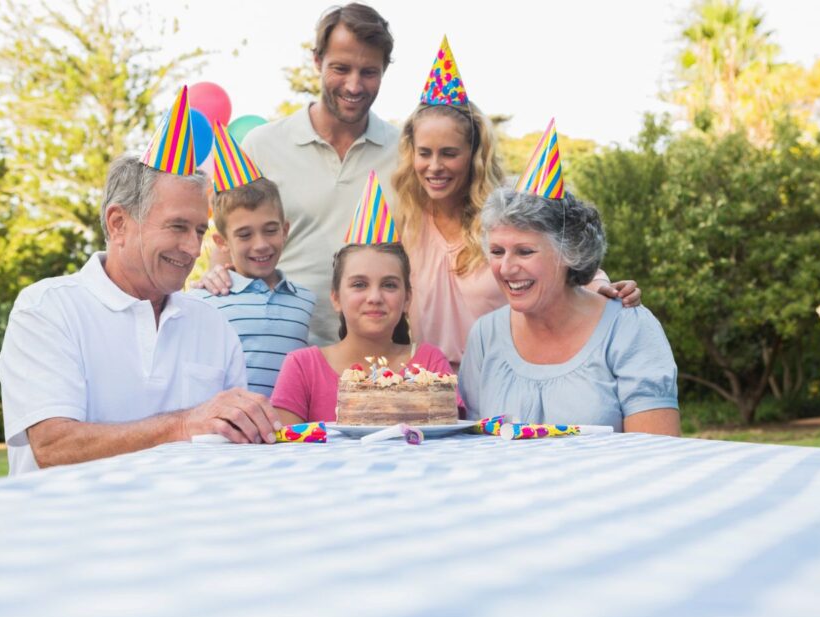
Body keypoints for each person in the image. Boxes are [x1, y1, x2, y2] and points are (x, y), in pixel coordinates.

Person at [0, 153, 281, 475]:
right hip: (70, 523)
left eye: (200, 231)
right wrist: (184, 424)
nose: (192, 248)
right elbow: (53, 446)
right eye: (178, 226)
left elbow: (233, 448)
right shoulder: (46, 309)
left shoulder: (212, 322)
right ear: (119, 224)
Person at [391, 40, 640, 369]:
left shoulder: (507, 214)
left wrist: (606, 289)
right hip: (431, 391)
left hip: (505, 378)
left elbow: (566, 266)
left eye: (449, 153)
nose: (434, 166)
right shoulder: (403, 221)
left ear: (474, 155)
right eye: (425, 153)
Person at [201, 3, 399, 346]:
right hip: (280, 354)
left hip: (373, 361)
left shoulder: (405, 153)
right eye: (341, 68)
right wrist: (216, 274)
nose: (354, 85)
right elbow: (227, 241)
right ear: (317, 61)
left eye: (369, 72)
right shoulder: (262, 145)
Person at [458, 188, 680, 435]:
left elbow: (655, 451)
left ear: (571, 253)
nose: (506, 268)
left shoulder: (629, 327)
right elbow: (474, 444)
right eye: (497, 252)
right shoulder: (484, 335)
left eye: (525, 251)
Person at [189, 128, 315, 397]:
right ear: (222, 242)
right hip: (229, 434)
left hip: (292, 435)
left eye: (270, 230)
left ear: (285, 230)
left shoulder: (306, 302)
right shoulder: (204, 301)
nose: (260, 244)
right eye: (244, 235)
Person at [270, 243, 456, 424]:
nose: (374, 297)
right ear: (336, 298)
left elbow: (451, 438)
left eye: (389, 285)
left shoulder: (430, 363)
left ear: (407, 299)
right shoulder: (302, 366)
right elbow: (286, 446)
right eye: (359, 284)